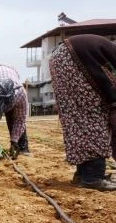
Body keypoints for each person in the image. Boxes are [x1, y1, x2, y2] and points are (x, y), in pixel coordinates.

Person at [49, 34, 116, 191]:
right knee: (93, 118)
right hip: (74, 59)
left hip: (59, 58)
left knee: (77, 117)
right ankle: (92, 177)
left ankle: (83, 174)